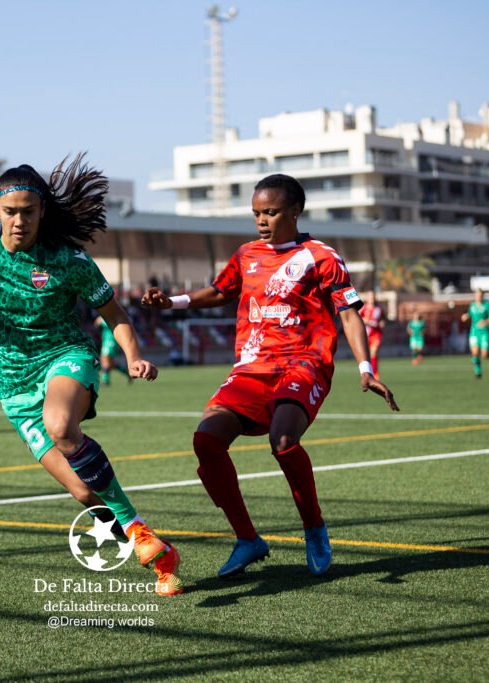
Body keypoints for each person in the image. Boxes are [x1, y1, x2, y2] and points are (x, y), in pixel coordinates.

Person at [0, 154, 182, 596]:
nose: (19, 220)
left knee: (61, 426)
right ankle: (155, 550)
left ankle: (137, 531)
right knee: (83, 493)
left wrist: (134, 356)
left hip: (65, 357)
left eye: (29, 211)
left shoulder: (68, 260)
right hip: (13, 385)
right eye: (10, 211)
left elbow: (115, 314)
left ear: (42, 211)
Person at [141, 173, 399, 579]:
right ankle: (248, 540)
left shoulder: (321, 256)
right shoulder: (246, 254)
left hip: (304, 362)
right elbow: (220, 291)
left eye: (271, 212)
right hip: (252, 366)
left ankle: (314, 529)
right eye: (257, 213)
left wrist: (366, 369)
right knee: (206, 441)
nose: (262, 220)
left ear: (295, 211)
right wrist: (171, 302)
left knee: (282, 440)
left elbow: (348, 312)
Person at [460, 289, 489, 379]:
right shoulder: (472, 306)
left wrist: (485, 321)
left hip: (484, 333)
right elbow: (470, 314)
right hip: (474, 332)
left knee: (484, 355)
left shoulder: (486, 306)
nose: (478, 297)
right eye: (476, 295)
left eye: (480, 295)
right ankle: (478, 371)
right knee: (475, 352)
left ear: (482, 296)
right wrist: (466, 316)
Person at [94, 315, 130, 385]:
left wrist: (100, 318)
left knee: (105, 360)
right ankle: (127, 373)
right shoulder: (107, 317)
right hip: (107, 341)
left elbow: (97, 322)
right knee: (111, 363)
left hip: (111, 341)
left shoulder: (110, 318)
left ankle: (106, 381)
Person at [360, 291, 385, 378]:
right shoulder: (363, 308)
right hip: (366, 335)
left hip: (376, 334)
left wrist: (382, 323)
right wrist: (365, 321)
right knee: (367, 355)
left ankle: (375, 373)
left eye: (373, 296)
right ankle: (369, 373)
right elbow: (358, 319)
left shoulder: (379, 309)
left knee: (373, 353)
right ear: (367, 298)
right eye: (370, 297)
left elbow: (383, 320)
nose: (371, 298)